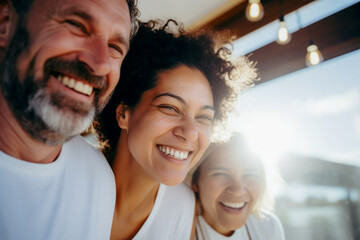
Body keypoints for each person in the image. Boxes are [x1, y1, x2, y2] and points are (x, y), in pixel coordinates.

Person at [95, 20, 255, 239]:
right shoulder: (71, 168)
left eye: (204, 117)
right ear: (124, 113)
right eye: (170, 107)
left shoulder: (181, 207)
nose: (190, 133)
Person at [0, 0, 139, 239]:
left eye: (115, 48)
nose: (99, 64)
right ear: (5, 22)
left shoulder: (98, 179)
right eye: (76, 25)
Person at [191, 133, 285, 240]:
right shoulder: (179, 228)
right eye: (220, 174)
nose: (238, 190)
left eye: (250, 175)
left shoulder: (268, 227)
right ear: (195, 181)